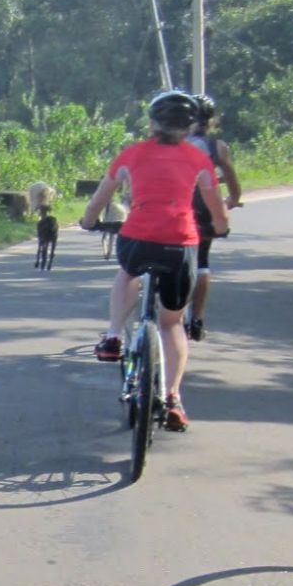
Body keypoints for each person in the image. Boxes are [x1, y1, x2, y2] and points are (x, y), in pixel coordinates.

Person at [80, 90, 230, 432]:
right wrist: (220, 227)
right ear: (188, 127)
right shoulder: (198, 159)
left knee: (127, 272)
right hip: (180, 243)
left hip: (138, 238)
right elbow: (216, 206)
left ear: (152, 123)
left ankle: (114, 336)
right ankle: (173, 397)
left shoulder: (132, 154)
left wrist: (88, 221)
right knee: (172, 323)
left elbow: (101, 197)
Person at [185, 94, 243, 341]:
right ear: (212, 120)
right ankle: (196, 319)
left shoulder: (172, 143)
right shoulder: (217, 147)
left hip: (172, 206)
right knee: (202, 261)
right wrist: (232, 200)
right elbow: (232, 181)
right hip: (204, 209)